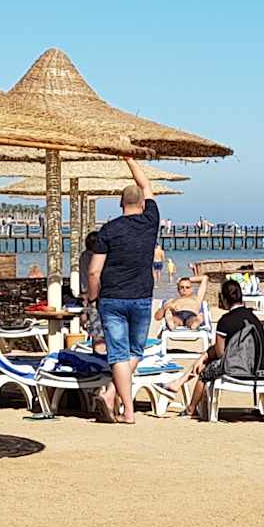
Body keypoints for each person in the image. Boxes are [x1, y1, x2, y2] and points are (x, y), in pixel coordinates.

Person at [78, 157, 161, 425]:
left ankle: (120, 402)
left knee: (118, 354)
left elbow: (94, 271)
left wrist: (93, 297)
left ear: (120, 203)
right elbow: (146, 185)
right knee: (135, 351)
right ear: (143, 204)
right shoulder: (151, 221)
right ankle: (122, 405)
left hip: (111, 298)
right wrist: (130, 160)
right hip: (141, 296)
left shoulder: (109, 230)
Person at [177, 278, 264, 418]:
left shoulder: (225, 321)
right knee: (207, 360)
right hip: (261, 366)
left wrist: (205, 357)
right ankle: (186, 391)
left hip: (238, 368)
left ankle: (191, 408)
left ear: (224, 299)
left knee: (205, 372)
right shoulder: (254, 318)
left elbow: (220, 353)